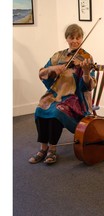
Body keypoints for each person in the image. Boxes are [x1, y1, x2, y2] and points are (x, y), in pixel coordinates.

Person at [28, 24, 97, 165]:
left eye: (78, 38)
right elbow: (42, 72)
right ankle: (43, 148)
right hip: (56, 93)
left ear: (82, 38)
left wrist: (85, 72)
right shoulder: (58, 55)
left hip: (75, 97)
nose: (75, 41)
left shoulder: (86, 57)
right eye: (72, 38)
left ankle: (52, 150)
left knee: (56, 111)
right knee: (40, 108)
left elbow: (88, 86)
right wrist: (54, 69)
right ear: (67, 38)